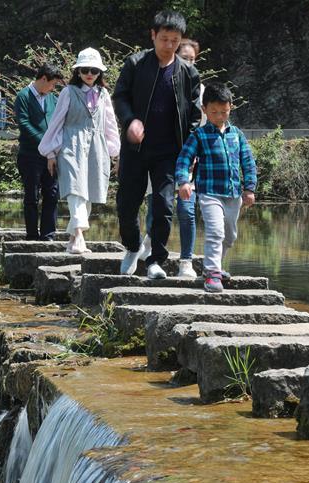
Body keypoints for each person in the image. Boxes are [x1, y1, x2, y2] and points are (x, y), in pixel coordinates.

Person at [113, 10, 201, 279]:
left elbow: (196, 116)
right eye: (164, 39)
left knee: (163, 207)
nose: (169, 45)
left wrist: (191, 150)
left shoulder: (188, 73)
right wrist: (130, 121)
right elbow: (120, 97)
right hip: (136, 149)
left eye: (175, 40)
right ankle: (131, 246)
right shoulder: (136, 64)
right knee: (127, 205)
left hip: (169, 151)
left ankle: (155, 261)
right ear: (153, 36)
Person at [175, 83, 256, 293]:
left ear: (231, 108)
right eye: (214, 112)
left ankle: (216, 267)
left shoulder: (236, 134)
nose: (220, 116)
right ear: (204, 110)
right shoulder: (199, 135)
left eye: (224, 112)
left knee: (230, 235)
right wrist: (183, 181)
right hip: (209, 193)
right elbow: (184, 159)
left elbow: (247, 161)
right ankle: (211, 273)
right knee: (215, 231)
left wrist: (250, 188)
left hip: (233, 194)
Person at [38, 48, 120, 254]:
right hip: (71, 144)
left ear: (100, 72)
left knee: (89, 191)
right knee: (75, 189)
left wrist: (115, 152)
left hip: (96, 147)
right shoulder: (68, 92)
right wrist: (50, 152)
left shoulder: (103, 94)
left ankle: (74, 238)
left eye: (94, 70)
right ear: (78, 71)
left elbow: (110, 124)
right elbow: (56, 122)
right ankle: (81, 236)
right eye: (85, 70)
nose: (89, 74)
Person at [13, 63, 63, 241]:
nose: (53, 88)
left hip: (51, 155)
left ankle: (48, 233)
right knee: (31, 195)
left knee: (51, 193)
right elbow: (24, 124)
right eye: (52, 84)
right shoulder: (23, 96)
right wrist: (45, 143)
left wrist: (53, 148)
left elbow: (58, 122)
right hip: (30, 155)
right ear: (43, 79)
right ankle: (32, 234)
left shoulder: (52, 99)